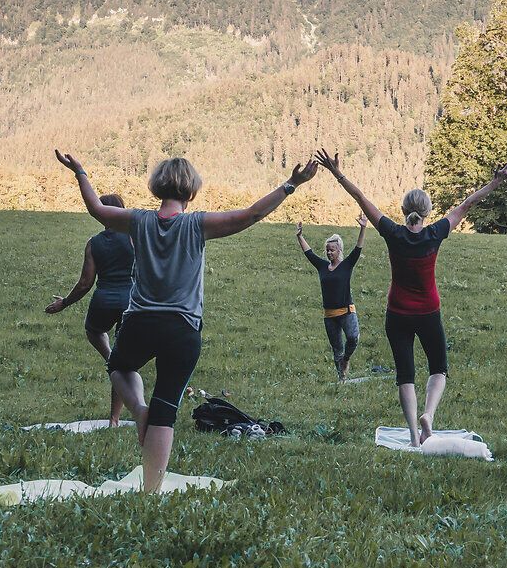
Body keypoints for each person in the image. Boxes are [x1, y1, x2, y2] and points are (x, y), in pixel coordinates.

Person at [54, 148, 319, 491]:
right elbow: (252, 214)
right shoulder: (197, 224)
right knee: (165, 412)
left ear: (156, 187)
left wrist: (80, 172)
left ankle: (138, 409)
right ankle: (151, 491)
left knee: (118, 366)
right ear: (191, 192)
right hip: (182, 330)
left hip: (140, 322)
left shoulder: (138, 221)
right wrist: (291, 184)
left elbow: (96, 209)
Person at [322, 152, 507, 444]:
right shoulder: (435, 233)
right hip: (428, 312)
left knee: (405, 376)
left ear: (403, 210)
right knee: (438, 369)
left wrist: (338, 173)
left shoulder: (392, 232)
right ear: (427, 211)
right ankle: (429, 416)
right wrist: (496, 181)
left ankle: (413, 436)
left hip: (397, 313)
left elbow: (360, 197)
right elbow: (468, 204)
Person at [44, 195, 136, 425]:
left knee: (94, 331)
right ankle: (114, 419)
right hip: (132, 302)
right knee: (123, 361)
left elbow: (85, 283)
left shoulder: (94, 243)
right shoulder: (135, 238)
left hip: (103, 301)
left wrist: (65, 303)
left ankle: (110, 358)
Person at [297, 216, 366, 379]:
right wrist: (299, 236)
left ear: (339, 250)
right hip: (329, 315)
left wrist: (363, 228)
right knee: (337, 350)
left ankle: (346, 360)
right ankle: (341, 379)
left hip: (347, 312)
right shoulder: (322, 266)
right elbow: (309, 253)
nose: (329, 253)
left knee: (353, 338)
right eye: (327, 250)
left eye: (332, 250)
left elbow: (358, 248)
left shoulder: (346, 265)